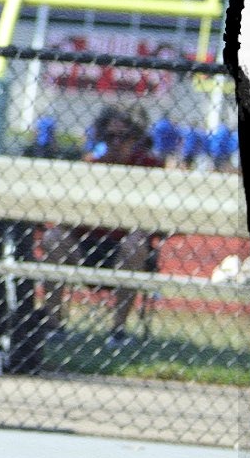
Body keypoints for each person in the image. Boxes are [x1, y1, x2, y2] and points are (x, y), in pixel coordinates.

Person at [42, 103, 161, 348]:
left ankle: (117, 331)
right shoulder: (92, 166)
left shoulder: (151, 168)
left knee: (136, 240)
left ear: (136, 136)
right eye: (110, 137)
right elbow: (67, 215)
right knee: (53, 237)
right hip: (87, 245)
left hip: (125, 247)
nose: (116, 143)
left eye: (124, 136)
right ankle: (54, 325)